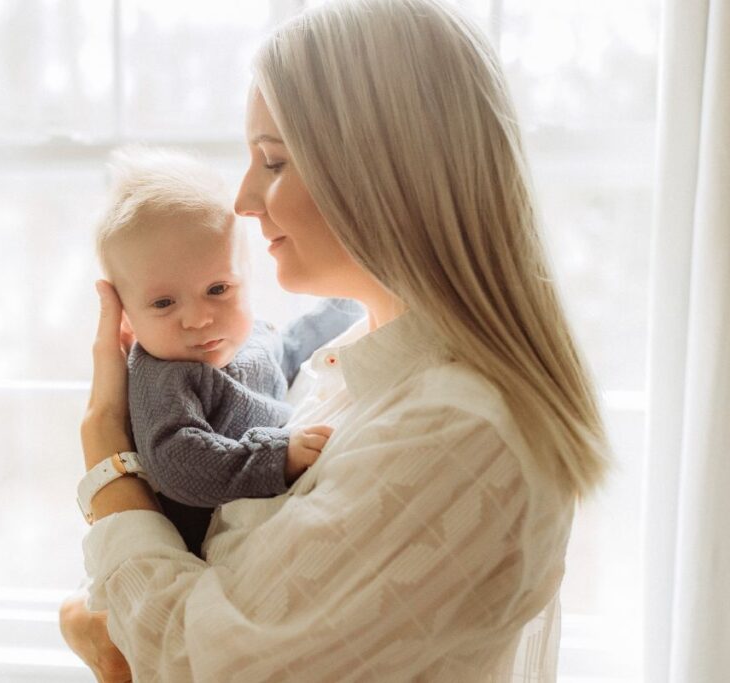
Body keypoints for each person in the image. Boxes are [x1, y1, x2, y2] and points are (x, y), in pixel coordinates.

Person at [62, 0, 610, 680]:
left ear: (382, 172)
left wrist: (107, 458)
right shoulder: (348, 367)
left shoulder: (456, 430)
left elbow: (200, 660)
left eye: (272, 161)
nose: (242, 199)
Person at [92, 147, 362, 555]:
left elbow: (288, 354)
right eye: (164, 303)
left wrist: (347, 299)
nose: (199, 319)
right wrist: (275, 457)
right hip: (195, 554)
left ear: (246, 279)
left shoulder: (250, 337)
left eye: (218, 290)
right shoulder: (164, 376)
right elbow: (179, 460)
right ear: (126, 320)